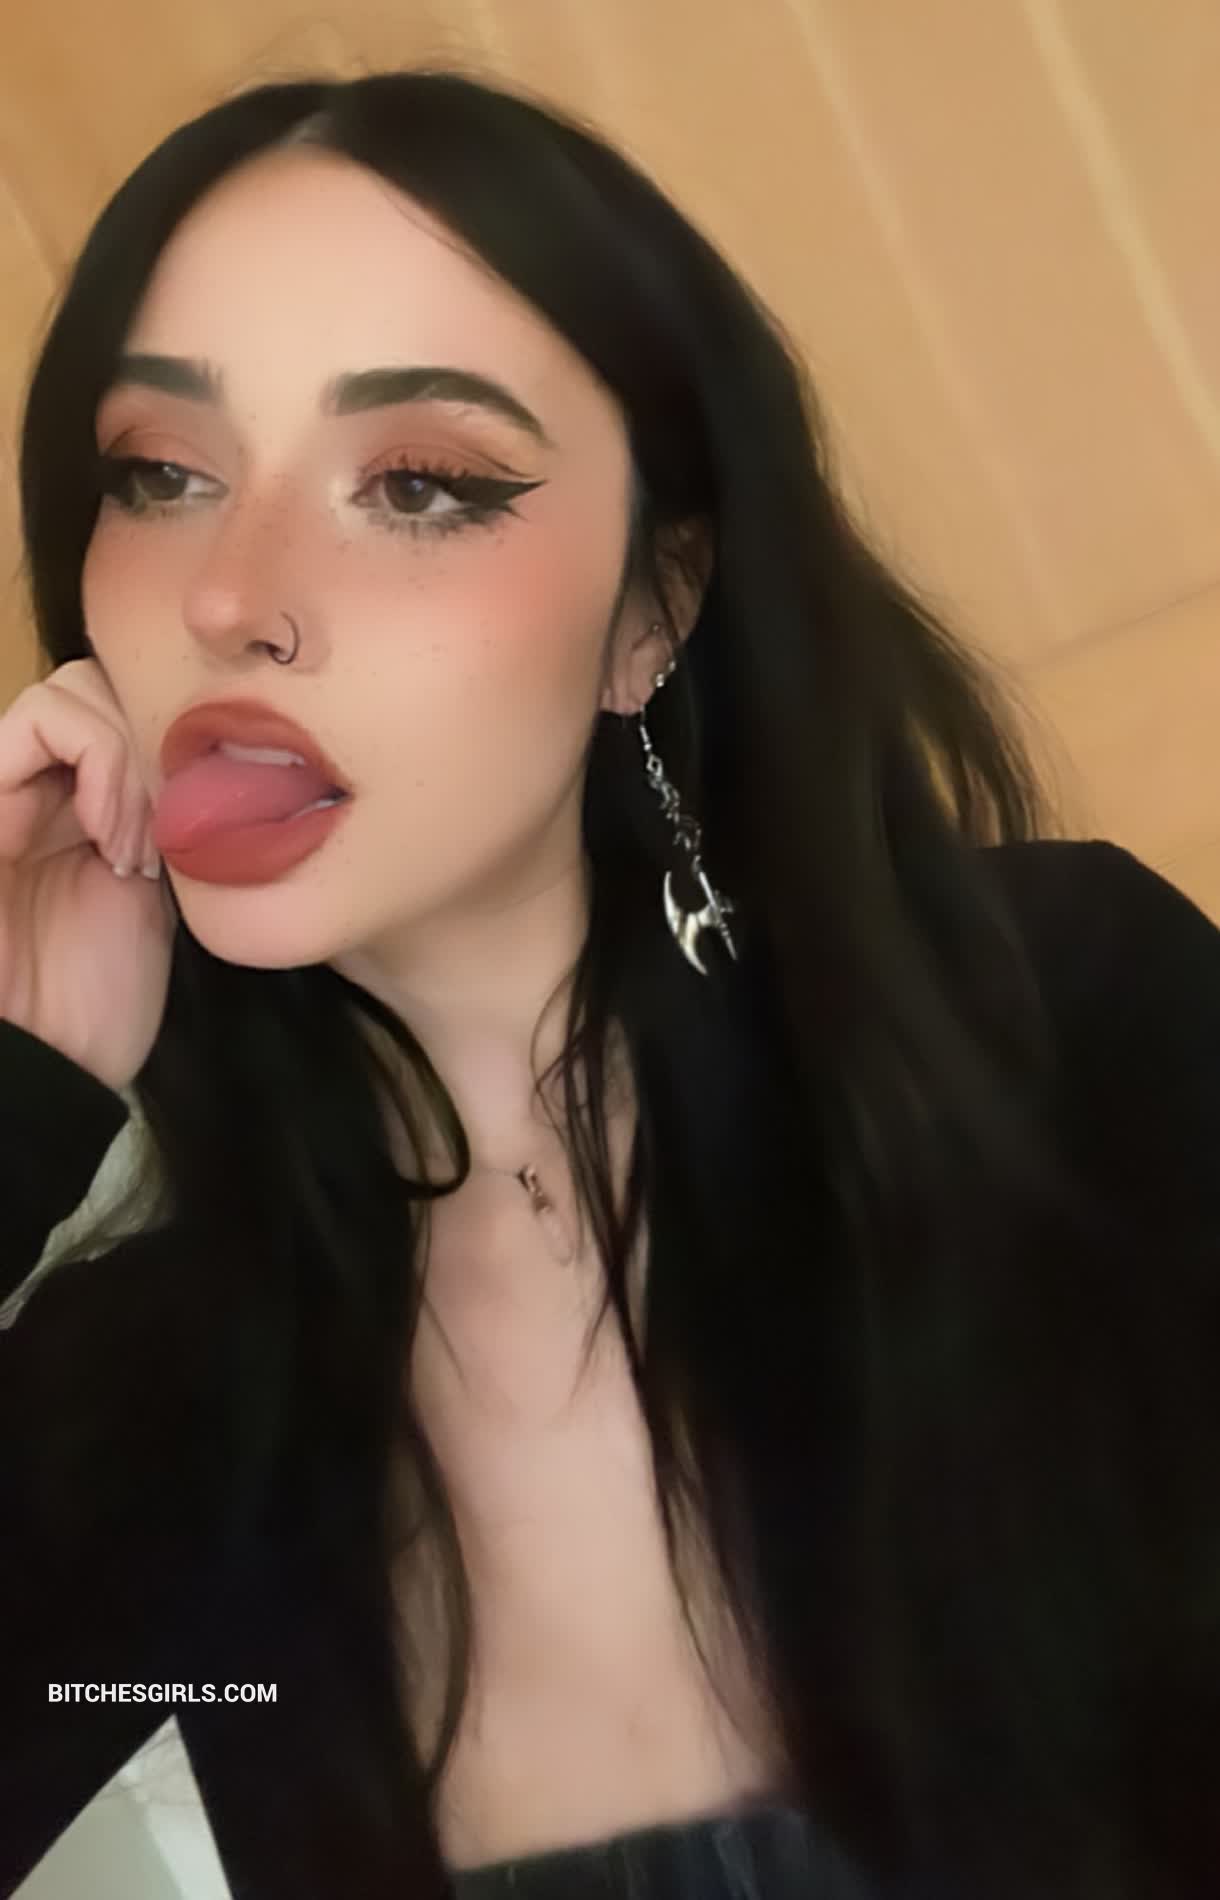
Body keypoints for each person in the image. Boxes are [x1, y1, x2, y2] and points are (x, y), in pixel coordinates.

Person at [1, 63, 1217, 1900]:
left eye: (418, 483)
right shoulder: (142, 1408)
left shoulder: (1061, 1034)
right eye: (162, 475)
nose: (229, 597)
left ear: (653, 608)